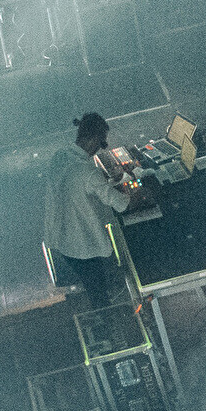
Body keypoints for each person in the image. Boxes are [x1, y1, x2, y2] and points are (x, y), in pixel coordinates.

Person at [42, 112, 139, 296]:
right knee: (98, 292)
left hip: (60, 237)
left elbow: (76, 185)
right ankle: (105, 311)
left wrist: (106, 182)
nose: (100, 148)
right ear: (94, 139)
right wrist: (136, 191)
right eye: (102, 143)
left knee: (92, 286)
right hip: (82, 245)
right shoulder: (88, 172)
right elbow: (121, 204)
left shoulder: (59, 156)